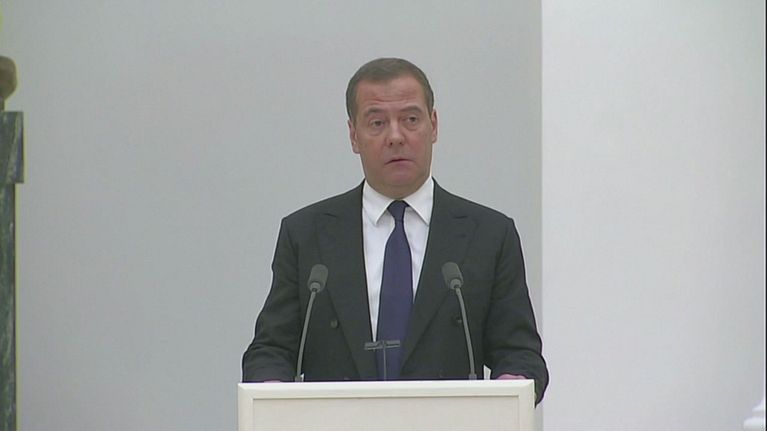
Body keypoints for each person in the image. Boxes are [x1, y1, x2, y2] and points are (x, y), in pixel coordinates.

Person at [242, 58, 548, 403]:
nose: (396, 137)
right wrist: (271, 390)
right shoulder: (306, 234)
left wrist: (512, 386)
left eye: (410, 119)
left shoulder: (489, 235)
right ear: (353, 136)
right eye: (377, 123)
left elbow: (519, 353)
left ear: (433, 126)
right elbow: (271, 349)